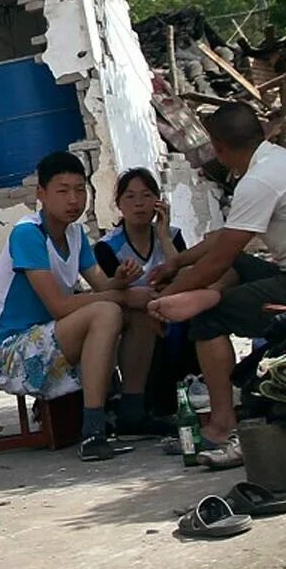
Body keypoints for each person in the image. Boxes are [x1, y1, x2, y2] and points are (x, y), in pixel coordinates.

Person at [145, 105, 286, 462]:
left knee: (209, 319)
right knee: (232, 267)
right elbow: (226, 240)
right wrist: (178, 262)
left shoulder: (258, 181)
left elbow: (221, 255)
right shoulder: (279, 162)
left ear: (217, 147)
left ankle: (221, 426)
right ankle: (207, 295)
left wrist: (163, 302)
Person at [0, 151, 130, 459]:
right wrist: (116, 297)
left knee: (131, 310)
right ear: (41, 193)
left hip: (51, 337)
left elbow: (103, 285)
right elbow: (60, 306)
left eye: (80, 190)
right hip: (14, 351)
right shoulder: (28, 233)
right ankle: (93, 432)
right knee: (107, 311)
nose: (73, 200)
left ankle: (134, 408)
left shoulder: (75, 234)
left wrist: (122, 281)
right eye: (62, 190)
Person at [86, 166, 193, 430]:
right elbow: (112, 292)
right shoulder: (108, 247)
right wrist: (123, 280)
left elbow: (188, 276)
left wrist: (164, 237)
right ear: (119, 204)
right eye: (130, 197)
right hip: (136, 317)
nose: (139, 204)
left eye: (146, 196)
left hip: (171, 308)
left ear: (157, 201)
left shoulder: (173, 236)